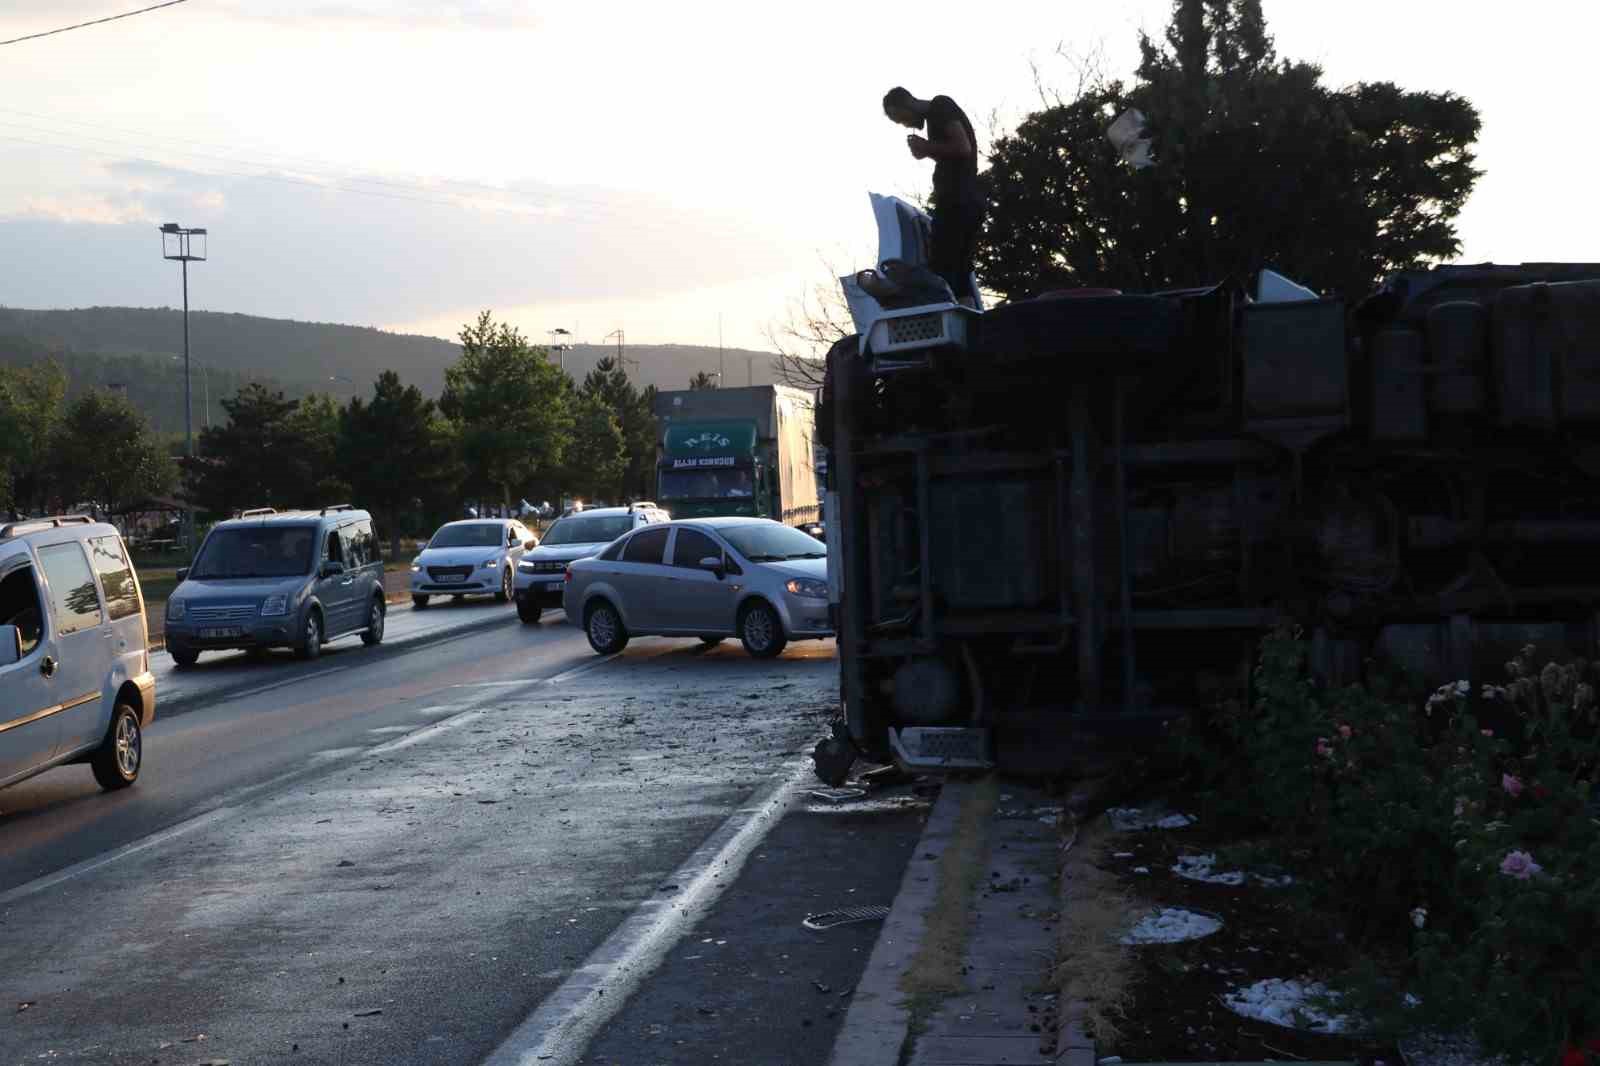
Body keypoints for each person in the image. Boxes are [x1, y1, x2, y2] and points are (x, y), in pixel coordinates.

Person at [882, 86, 984, 306]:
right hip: (966, 201)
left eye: (902, 118)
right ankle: (971, 324)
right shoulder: (935, 117)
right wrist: (928, 151)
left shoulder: (940, 106)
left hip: (957, 201)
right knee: (958, 272)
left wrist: (926, 148)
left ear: (906, 103)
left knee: (942, 268)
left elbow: (962, 147)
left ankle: (950, 321)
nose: (906, 125)